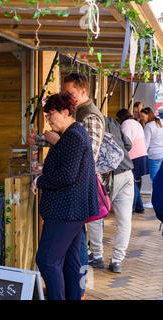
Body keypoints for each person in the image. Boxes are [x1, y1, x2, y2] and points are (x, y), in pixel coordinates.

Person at [28, 73, 105, 295]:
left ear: (64, 112)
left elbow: (68, 176)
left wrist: (41, 179)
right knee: (70, 263)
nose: (48, 121)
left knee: (47, 261)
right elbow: (71, 169)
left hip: (66, 210)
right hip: (73, 209)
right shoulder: (75, 133)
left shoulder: (73, 135)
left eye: (51, 116)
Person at [87, 116, 134, 273]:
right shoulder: (112, 122)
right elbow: (128, 144)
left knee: (96, 214)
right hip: (126, 172)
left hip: (104, 176)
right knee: (125, 220)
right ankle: (117, 261)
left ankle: (97, 255)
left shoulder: (86, 122)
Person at [117, 109, 149, 214]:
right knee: (135, 182)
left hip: (134, 156)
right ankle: (139, 207)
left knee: (132, 183)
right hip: (142, 155)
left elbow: (126, 142)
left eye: (118, 118)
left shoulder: (126, 124)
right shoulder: (136, 123)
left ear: (121, 117)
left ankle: (132, 208)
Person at [140, 107, 163, 208]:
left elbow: (145, 144)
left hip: (153, 155)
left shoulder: (149, 126)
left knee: (154, 180)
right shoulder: (161, 122)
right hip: (162, 154)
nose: (141, 118)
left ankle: (153, 202)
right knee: (160, 179)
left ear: (148, 115)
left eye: (143, 116)